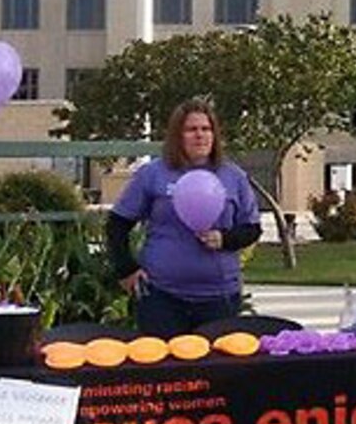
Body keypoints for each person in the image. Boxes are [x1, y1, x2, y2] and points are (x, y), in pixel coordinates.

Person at [107, 99, 263, 338]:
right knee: (166, 372)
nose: (200, 135)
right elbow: (117, 224)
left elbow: (251, 228)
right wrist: (125, 269)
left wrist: (224, 238)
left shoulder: (234, 176)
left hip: (219, 297)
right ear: (177, 136)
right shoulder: (153, 174)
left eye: (206, 129)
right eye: (191, 130)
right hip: (161, 296)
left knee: (216, 371)